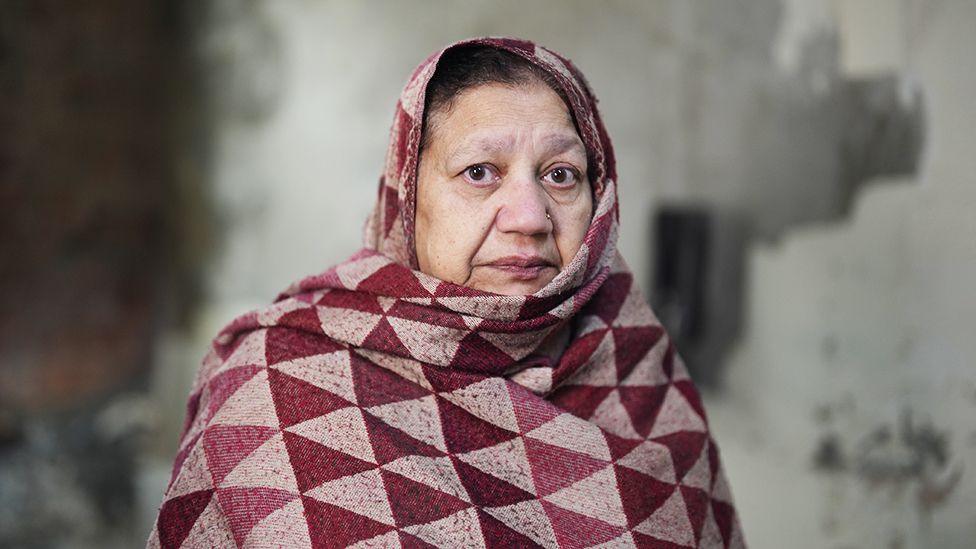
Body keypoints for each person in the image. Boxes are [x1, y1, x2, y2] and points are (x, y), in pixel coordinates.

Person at [148, 37, 744, 548]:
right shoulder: (277, 386)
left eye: (561, 174)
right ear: (410, 198)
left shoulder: (640, 375)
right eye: (479, 172)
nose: (530, 217)